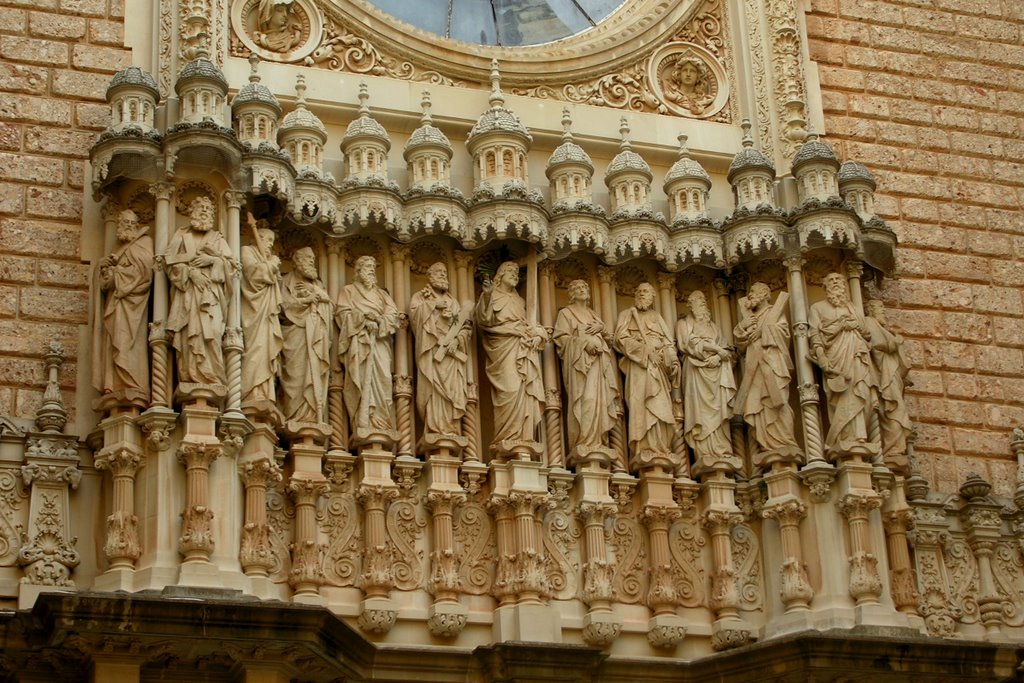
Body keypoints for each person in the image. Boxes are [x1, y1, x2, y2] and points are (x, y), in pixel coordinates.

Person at [474, 261, 546, 451]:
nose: (515, 275)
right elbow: (483, 321)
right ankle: (506, 436)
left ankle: (524, 436)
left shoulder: (521, 301)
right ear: (500, 275)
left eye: (516, 272)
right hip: (502, 350)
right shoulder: (491, 295)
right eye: (510, 272)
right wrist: (487, 295)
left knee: (523, 391)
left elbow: (530, 325)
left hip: (522, 351)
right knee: (510, 390)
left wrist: (539, 335)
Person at [164, 195, 234, 387]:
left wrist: (212, 261)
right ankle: (191, 376)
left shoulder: (217, 239)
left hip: (211, 299)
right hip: (187, 296)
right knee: (189, 338)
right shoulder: (181, 236)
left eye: (208, 209)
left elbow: (231, 268)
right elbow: (170, 266)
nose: (204, 211)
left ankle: (211, 377)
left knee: (211, 333)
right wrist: (190, 272)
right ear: (191, 212)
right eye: (200, 208)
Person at [553, 279, 622, 464]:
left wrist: (603, 330)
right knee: (587, 400)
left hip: (599, 366)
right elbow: (561, 339)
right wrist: (585, 343)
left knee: (600, 401)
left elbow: (610, 340)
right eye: (577, 288)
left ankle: (598, 440)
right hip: (580, 367)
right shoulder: (566, 314)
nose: (582, 290)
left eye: (584, 287)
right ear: (571, 294)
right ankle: (584, 440)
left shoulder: (593, 315)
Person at [809, 273, 878, 455]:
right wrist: (822, 357)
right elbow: (814, 335)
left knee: (862, 390)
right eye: (830, 280)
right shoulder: (818, 308)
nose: (835, 283)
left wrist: (855, 325)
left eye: (839, 280)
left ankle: (860, 435)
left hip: (857, 356)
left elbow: (867, 334)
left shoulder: (854, 308)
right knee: (842, 395)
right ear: (824, 286)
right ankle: (841, 437)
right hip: (836, 358)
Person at [613, 283, 679, 469]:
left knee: (661, 405)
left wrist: (672, 362)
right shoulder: (627, 315)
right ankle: (644, 445)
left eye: (646, 292)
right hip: (639, 368)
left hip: (658, 367)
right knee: (641, 404)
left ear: (653, 297)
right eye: (639, 291)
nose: (642, 295)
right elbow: (620, 339)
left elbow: (668, 343)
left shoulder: (657, 318)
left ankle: (661, 445)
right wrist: (644, 350)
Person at [92, 209, 153, 406]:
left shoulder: (144, 244)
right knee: (114, 340)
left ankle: (134, 383)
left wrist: (117, 273)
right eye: (122, 223)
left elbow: (145, 274)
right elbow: (103, 283)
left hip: (134, 307)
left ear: (136, 225)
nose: (125, 226)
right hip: (117, 304)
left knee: (128, 343)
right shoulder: (119, 247)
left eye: (129, 223)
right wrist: (102, 268)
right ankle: (114, 384)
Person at [733, 282, 800, 459]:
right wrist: (743, 327)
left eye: (753, 291)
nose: (750, 295)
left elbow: (783, 334)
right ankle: (767, 445)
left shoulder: (773, 312)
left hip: (773, 363)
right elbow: (740, 345)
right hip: (754, 368)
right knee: (757, 405)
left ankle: (785, 440)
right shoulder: (749, 317)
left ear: (764, 294)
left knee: (777, 401)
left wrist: (763, 331)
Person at [335, 255, 399, 441]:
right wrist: (364, 319)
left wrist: (379, 321)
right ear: (358, 271)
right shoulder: (348, 291)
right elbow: (342, 314)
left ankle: (380, 421)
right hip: (360, 344)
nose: (371, 270)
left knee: (383, 380)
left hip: (379, 344)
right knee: (362, 381)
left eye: (373, 267)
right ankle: (363, 420)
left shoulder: (382, 295)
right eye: (367, 267)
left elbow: (393, 316)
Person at [409, 262, 472, 437]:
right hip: (432, 353)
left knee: (452, 392)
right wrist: (433, 306)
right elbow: (414, 318)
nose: (443, 275)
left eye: (445, 272)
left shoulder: (453, 302)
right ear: (429, 276)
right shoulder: (421, 298)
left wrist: (457, 341)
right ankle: (435, 427)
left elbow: (466, 326)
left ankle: (450, 428)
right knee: (434, 391)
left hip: (451, 357)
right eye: (439, 273)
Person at [677, 290, 736, 466]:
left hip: (717, 374)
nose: (703, 304)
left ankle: (721, 449)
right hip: (696, 373)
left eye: (704, 301)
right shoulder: (684, 324)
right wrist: (715, 351)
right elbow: (686, 344)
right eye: (698, 302)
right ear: (691, 306)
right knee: (700, 413)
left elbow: (728, 351)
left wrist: (719, 356)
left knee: (719, 413)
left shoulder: (715, 328)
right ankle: (704, 451)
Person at [280, 247, 333, 425]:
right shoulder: (286, 281)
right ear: (297, 261)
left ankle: (310, 417)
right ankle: (295, 416)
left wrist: (316, 294)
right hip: (295, 335)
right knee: (296, 377)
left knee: (313, 373)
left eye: (313, 258)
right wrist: (305, 301)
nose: (311, 261)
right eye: (307, 258)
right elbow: (282, 306)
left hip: (315, 335)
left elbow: (328, 309)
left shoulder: (318, 285)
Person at [240, 221, 283, 414]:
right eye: (268, 240)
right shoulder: (247, 251)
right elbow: (253, 274)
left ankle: (264, 392)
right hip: (252, 312)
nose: (270, 245)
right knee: (255, 349)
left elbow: (276, 286)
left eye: (272, 242)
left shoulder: (269, 258)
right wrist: (271, 265)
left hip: (268, 314)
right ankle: (250, 392)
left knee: (266, 351)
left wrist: (272, 264)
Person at [865, 300, 912, 461]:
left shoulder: (881, 328)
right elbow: (876, 346)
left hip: (891, 374)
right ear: (871, 311)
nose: (883, 313)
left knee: (895, 409)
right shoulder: (870, 323)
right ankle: (892, 450)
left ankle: (895, 449)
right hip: (884, 375)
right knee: (893, 409)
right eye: (881, 310)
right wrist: (894, 343)